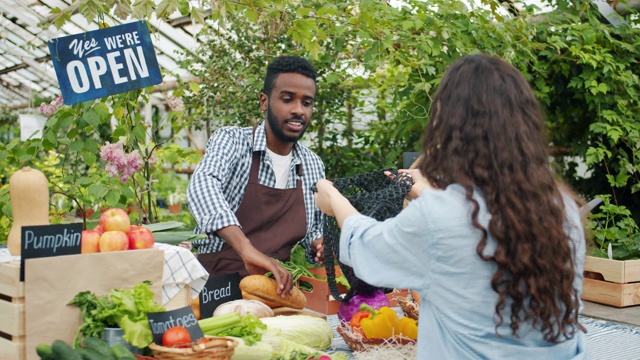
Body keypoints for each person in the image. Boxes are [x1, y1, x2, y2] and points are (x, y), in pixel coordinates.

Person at [314, 54, 588, 359]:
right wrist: (429, 191)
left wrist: (334, 198)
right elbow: (474, 215)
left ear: (451, 129)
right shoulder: (562, 209)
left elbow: (370, 248)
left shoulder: (439, 217)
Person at [187, 55, 325, 296]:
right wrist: (246, 249)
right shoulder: (232, 141)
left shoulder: (312, 165)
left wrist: (318, 245)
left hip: (274, 291)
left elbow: (314, 229)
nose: (298, 110)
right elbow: (202, 185)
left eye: (307, 102)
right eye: (287, 99)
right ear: (264, 101)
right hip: (216, 288)